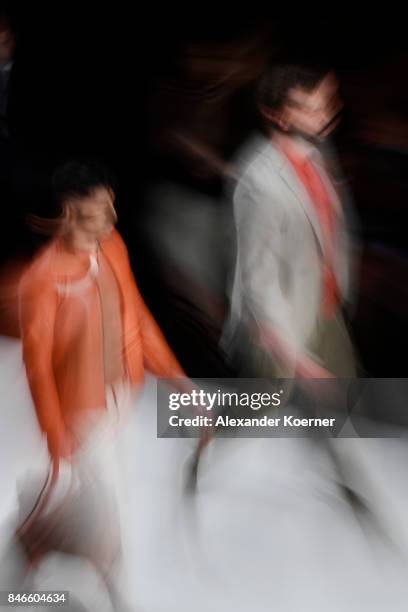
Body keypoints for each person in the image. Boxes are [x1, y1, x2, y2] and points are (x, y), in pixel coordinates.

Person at [16, 159, 186, 609]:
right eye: (98, 210)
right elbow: (37, 366)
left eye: (112, 207)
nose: (111, 218)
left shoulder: (113, 247)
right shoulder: (43, 280)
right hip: (82, 417)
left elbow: (138, 318)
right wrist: (57, 443)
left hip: (121, 402)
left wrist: (176, 379)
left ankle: (34, 543)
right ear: (69, 212)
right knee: (115, 515)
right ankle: (121, 598)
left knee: (106, 501)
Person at [223, 62, 358, 381]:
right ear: (277, 115)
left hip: (325, 309)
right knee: (261, 417)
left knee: (347, 409)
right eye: (308, 109)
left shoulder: (318, 151)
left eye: (325, 103)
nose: (323, 115)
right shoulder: (259, 181)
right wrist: (295, 358)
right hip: (280, 327)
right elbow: (258, 276)